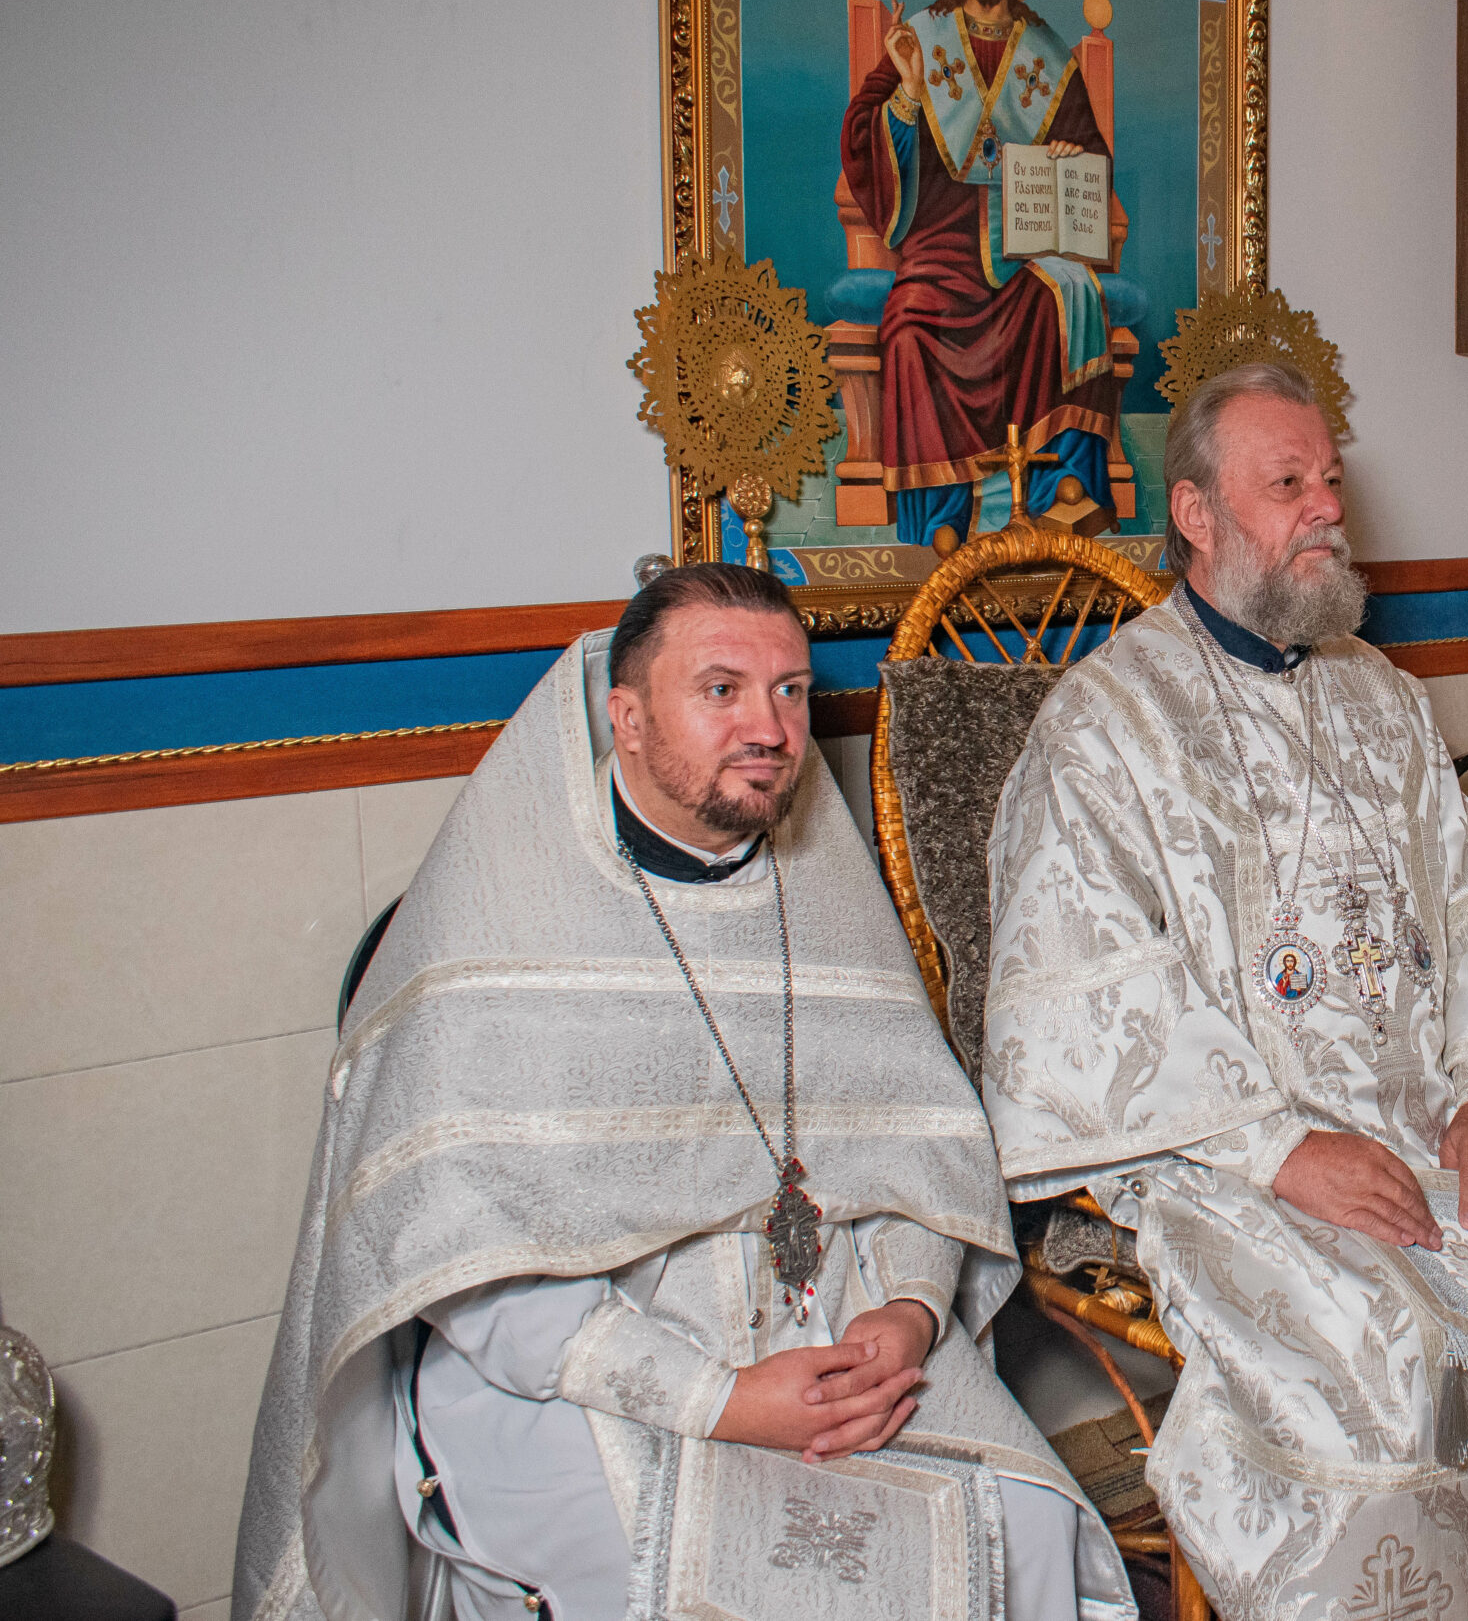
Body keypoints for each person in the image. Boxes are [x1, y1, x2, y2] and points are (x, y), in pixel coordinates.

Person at [234, 563, 1130, 1621]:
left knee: (1027, 1524)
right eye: (721, 690)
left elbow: (911, 1153)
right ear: (627, 717)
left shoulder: (823, 895)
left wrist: (907, 1308)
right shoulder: (505, 934)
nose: (771, 729)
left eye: (791, 690)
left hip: (832, 1320)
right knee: (722, 1581)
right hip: (582, 1369)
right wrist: (722, 1401)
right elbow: (467, 1261)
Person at [981, 361, 1468, 1621]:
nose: (1327, 507)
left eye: (1329, 480)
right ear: (1197, 514)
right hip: (1232, 1148)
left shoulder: (1380, 693)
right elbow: (1079, 988)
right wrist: (1279, 1152)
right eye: (1288, 484)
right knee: (1383, 1357)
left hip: (1433, 1110)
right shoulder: (1106, 726)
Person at [842, 0, 1115, 548]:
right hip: (939, 246)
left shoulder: (1049, 55)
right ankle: (942, 520)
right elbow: (862, 136)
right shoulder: (921, 37)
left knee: (1073, 295)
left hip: (1023, 248)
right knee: (909, 330)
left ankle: (1061, 492)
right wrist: (909, 93)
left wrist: (1073, 158)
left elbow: (1094, 162)